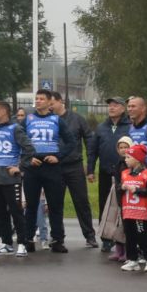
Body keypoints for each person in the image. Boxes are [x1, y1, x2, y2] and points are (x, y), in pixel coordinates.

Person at [21, 86, 72, 253]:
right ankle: (28, 239)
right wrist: (28, 158)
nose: (38, 101)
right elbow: (17, 140)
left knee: (55, 205)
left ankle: (57, 240)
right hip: (33, 167)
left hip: (52, 166)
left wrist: (59, 156)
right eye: (36, 98)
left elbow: (71, 142)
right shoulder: (27, 119)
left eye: (42, 99)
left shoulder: (57, 120)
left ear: (50, 102)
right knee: (31, 205)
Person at [50, 88, 100, 250]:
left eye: (52, 103)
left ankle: (89, 235)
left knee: (81, 201)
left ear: (60, 101)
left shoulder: (77, 119)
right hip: (54, 166)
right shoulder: (48, 120)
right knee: (55, 203)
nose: (49, 107)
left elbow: (89, 140)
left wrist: (90, 165)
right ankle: (57, 237)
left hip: (74, 165)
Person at [0, 99, 35, 256]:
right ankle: (6, 243)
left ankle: (22, 243)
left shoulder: (16, 129)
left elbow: (29, 149)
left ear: (3, 112)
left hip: (10, 178)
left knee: (16, 211)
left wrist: (19, 168)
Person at [91, 97, 126, 250]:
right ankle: (106, 238)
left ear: (123, 108)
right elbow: (92, 151)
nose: (111, 108)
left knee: (122, 205)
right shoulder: (101, 127)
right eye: (110, 105)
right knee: (105, 204)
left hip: (124, 172)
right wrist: (90, 170)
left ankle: (122, 239)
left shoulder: (129, 126)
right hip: (105, 171)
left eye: (115, 105)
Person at [118, 142, 147, 271]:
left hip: (141, 211)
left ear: (137, 159)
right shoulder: (124, 173)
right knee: (129, 236)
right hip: (127, 210)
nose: (126, 159)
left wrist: (136, 190)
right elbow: (118, 189)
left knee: (143, 236)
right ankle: (132, 259)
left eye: (128, 157)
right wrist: (122, 187)